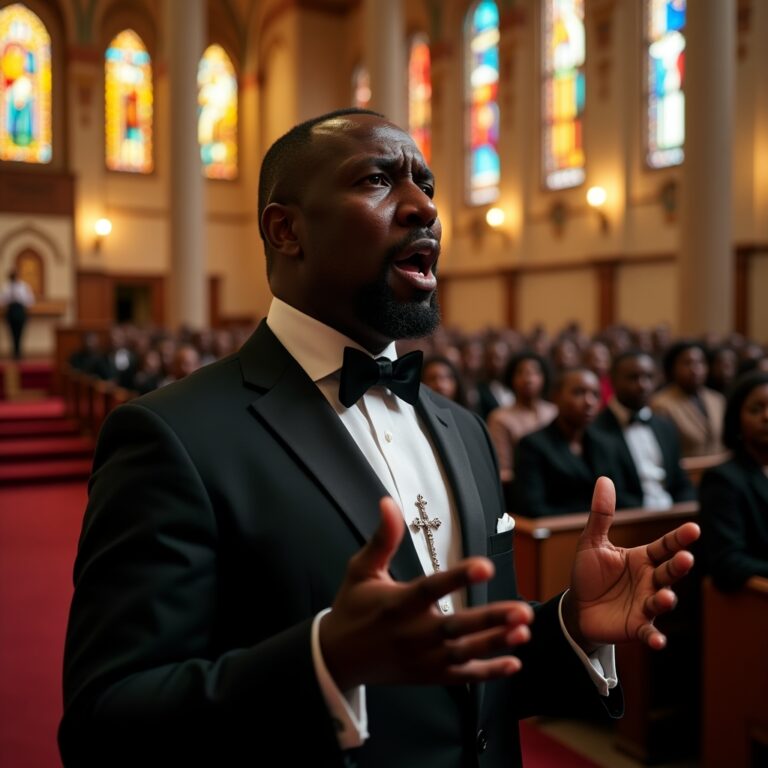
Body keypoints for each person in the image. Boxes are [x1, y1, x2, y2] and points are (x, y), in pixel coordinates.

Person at [59, 109, 699, 767]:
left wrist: (570, 628)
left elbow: (468, 680)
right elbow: (104, 723)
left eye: (425, 184)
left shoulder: (464, 430)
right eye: (377, 179)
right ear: (287, 230)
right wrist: (322, 659)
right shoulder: (176, 437)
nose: (424, 207)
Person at [512, 367, 622, 517]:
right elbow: (532, 508)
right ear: (556, 397)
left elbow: (620, 498)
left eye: (595, 395)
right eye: (578, 392)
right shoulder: (532, 445)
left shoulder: (606, 443)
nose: (589, 401)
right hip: (558, 534)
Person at [592, 351, 694, 510]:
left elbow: (680, 481)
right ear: (613, 380)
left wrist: (682, 508)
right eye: (633, 378)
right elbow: (609, 492)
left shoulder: (665, 426)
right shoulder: (596, 430)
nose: (642, 385)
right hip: (628, 521)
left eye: (648, 377)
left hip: (672, 516)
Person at [699, 370, 768, 591]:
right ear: (736, 420)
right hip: (750, 600)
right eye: (756, 409)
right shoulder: (723, 480)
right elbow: (727, 561)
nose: (766, 416)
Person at [487, 351, 557, 480]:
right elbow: (503, 469)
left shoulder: (553, 411)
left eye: (535, 373)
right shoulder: (499, 418)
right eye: (521, 373)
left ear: (544, 377)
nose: (528, 379)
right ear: (511, 378)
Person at [651, 340, 726, 458]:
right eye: (687, 363)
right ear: (673, 368)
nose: (695, 369)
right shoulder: (661, 404)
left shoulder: (717, 399)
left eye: (700, 362)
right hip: (686, 472)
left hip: (720, 471)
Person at [0, 269, 34, 360]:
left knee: (20, 332)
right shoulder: (6, 286)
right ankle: (14, 352)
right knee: (11, 332)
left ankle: (19, 352)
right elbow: (2, 301)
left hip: (20, 310)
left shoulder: (24, 286)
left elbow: (30, 300)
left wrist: (19, 297)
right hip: (10, 311)